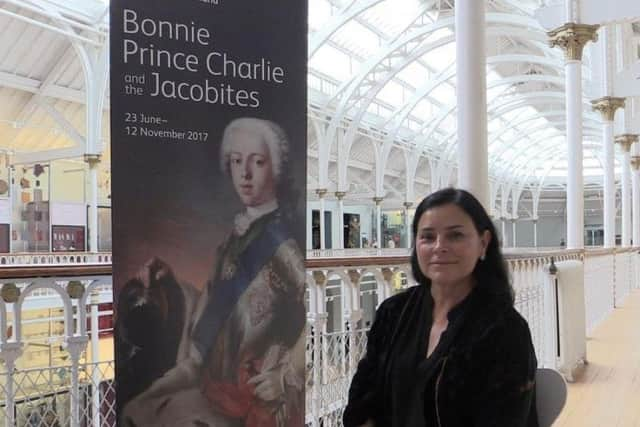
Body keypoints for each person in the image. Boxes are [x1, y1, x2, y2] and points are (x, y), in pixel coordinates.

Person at [121, 117, 306, 427]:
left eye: (257, 162)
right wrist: (172, 282)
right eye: (236, 161)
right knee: (136, 412)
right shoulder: (235, 236)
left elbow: (309, 318)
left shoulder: (282, 243)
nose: (245, 174)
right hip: (209, 378)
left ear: (276, 168)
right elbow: (214, 304)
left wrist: (285, 376)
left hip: (246, 398)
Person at [343, 188, 538, 427]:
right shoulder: (393, 312)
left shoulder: (505, 330)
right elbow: (362, 399)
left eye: (455, 236)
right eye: (427, 236)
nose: (439, 247)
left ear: (483, 243)